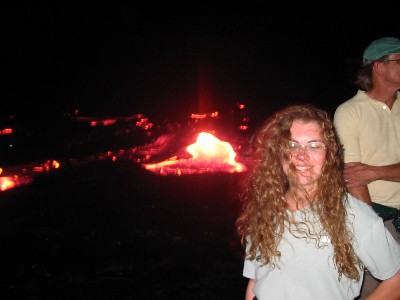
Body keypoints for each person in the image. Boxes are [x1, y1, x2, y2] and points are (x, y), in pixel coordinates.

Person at [236, 105, 400, 300]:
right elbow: (256, 281)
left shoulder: (352, 214)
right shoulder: (265, 210)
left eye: (314, 146)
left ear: (329, 154)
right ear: (279, 152)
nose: (301, 156)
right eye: (292, 145)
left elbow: (396, 279)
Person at [333, 37, 400, 298]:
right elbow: (353, 179)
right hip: (379, 221)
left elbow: (365, 174)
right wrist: (373, 233)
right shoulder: (350, 112)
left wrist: (378, 171)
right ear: (379, 67)